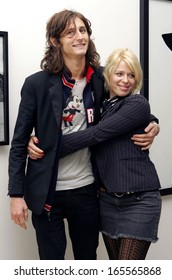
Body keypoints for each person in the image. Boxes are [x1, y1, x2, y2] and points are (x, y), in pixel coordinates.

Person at [8, 10, 159, 260]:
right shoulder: (36, 84)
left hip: (88, 190)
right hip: (47, 191)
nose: (80, 37)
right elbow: (19, 141)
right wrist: (15, 194)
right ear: (56, 41)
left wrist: (153, 122)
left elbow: (127, 105)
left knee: (87, 263)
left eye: (83, 30)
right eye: (70, 32)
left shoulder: (101, 77)